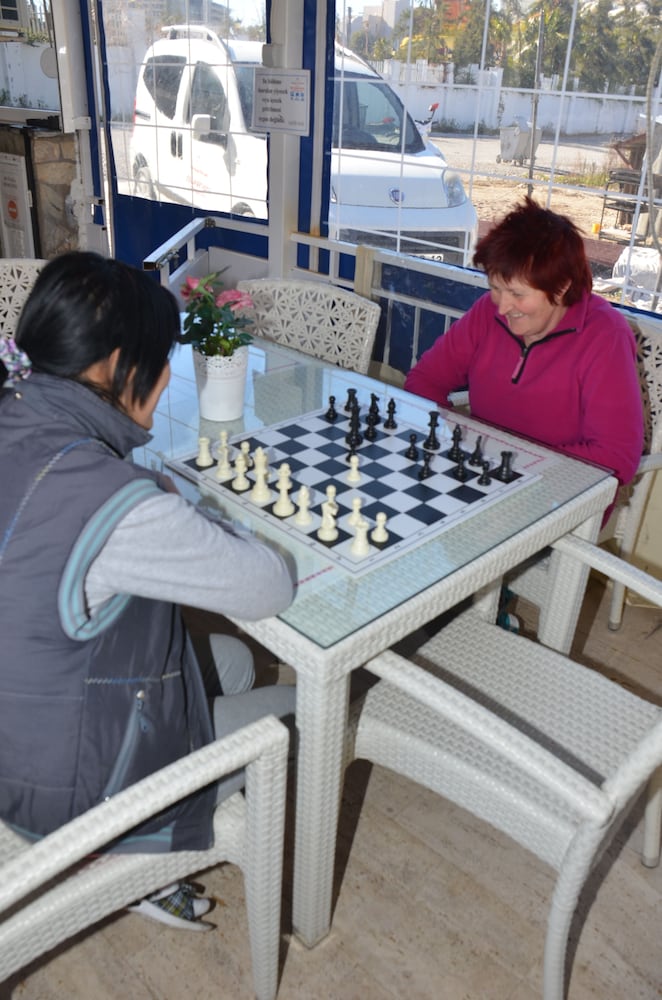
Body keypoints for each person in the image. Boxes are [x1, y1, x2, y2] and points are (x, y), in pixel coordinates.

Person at [0, 252, 297, 931]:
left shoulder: (15, 414)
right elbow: (268, 585)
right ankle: (125, 862)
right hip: (68, 795)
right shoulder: (120, 505)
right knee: (303, 711)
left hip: (19, 727)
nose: (165, 381)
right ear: (113, 367)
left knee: (228, 661)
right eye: (161, 362)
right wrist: (179, 508)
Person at [405, 197, 643, 494]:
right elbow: (424, 380)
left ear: (562, 287)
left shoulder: (606, 336)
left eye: (517, 294)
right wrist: (448, 437)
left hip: (561, 493)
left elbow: (616, 457)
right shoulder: (486, 312)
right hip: (481, 474)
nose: (502, 307)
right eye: (495, 288)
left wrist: (516, 466)